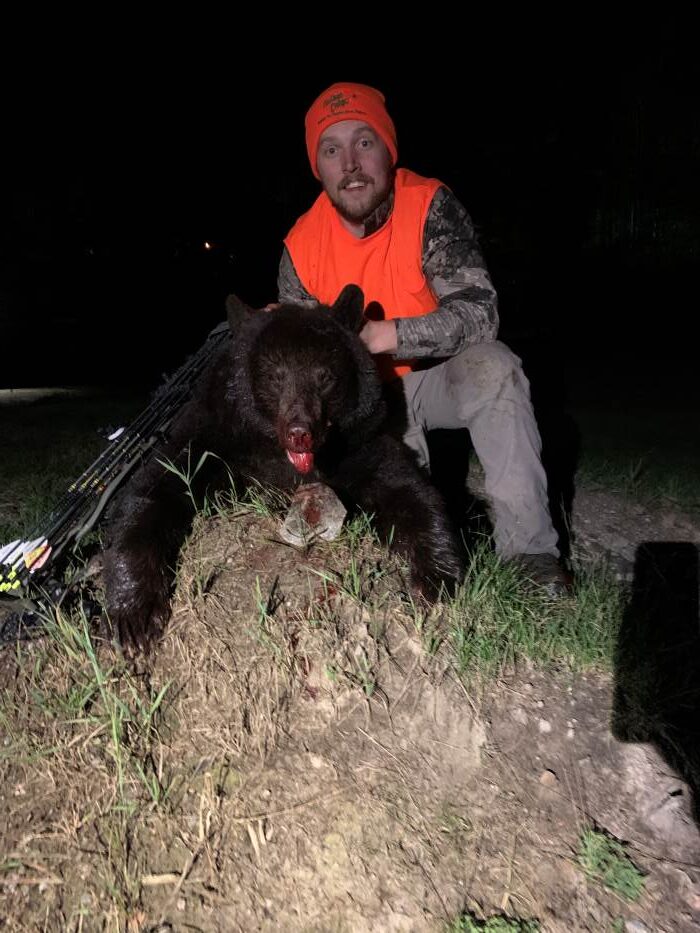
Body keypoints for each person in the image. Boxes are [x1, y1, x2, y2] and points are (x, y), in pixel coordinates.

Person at [275, 81, 570, 592]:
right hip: (365, 403)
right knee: (407, 534)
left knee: (494, 366)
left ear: (388, 150)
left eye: (364, 142)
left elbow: (480, 315)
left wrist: (382, 336)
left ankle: (530, 558)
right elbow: (303, 370)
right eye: (331, 149)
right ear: (316, 166)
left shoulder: (429, 205)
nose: (349, 163)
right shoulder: (300, 246)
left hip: (438, 377)